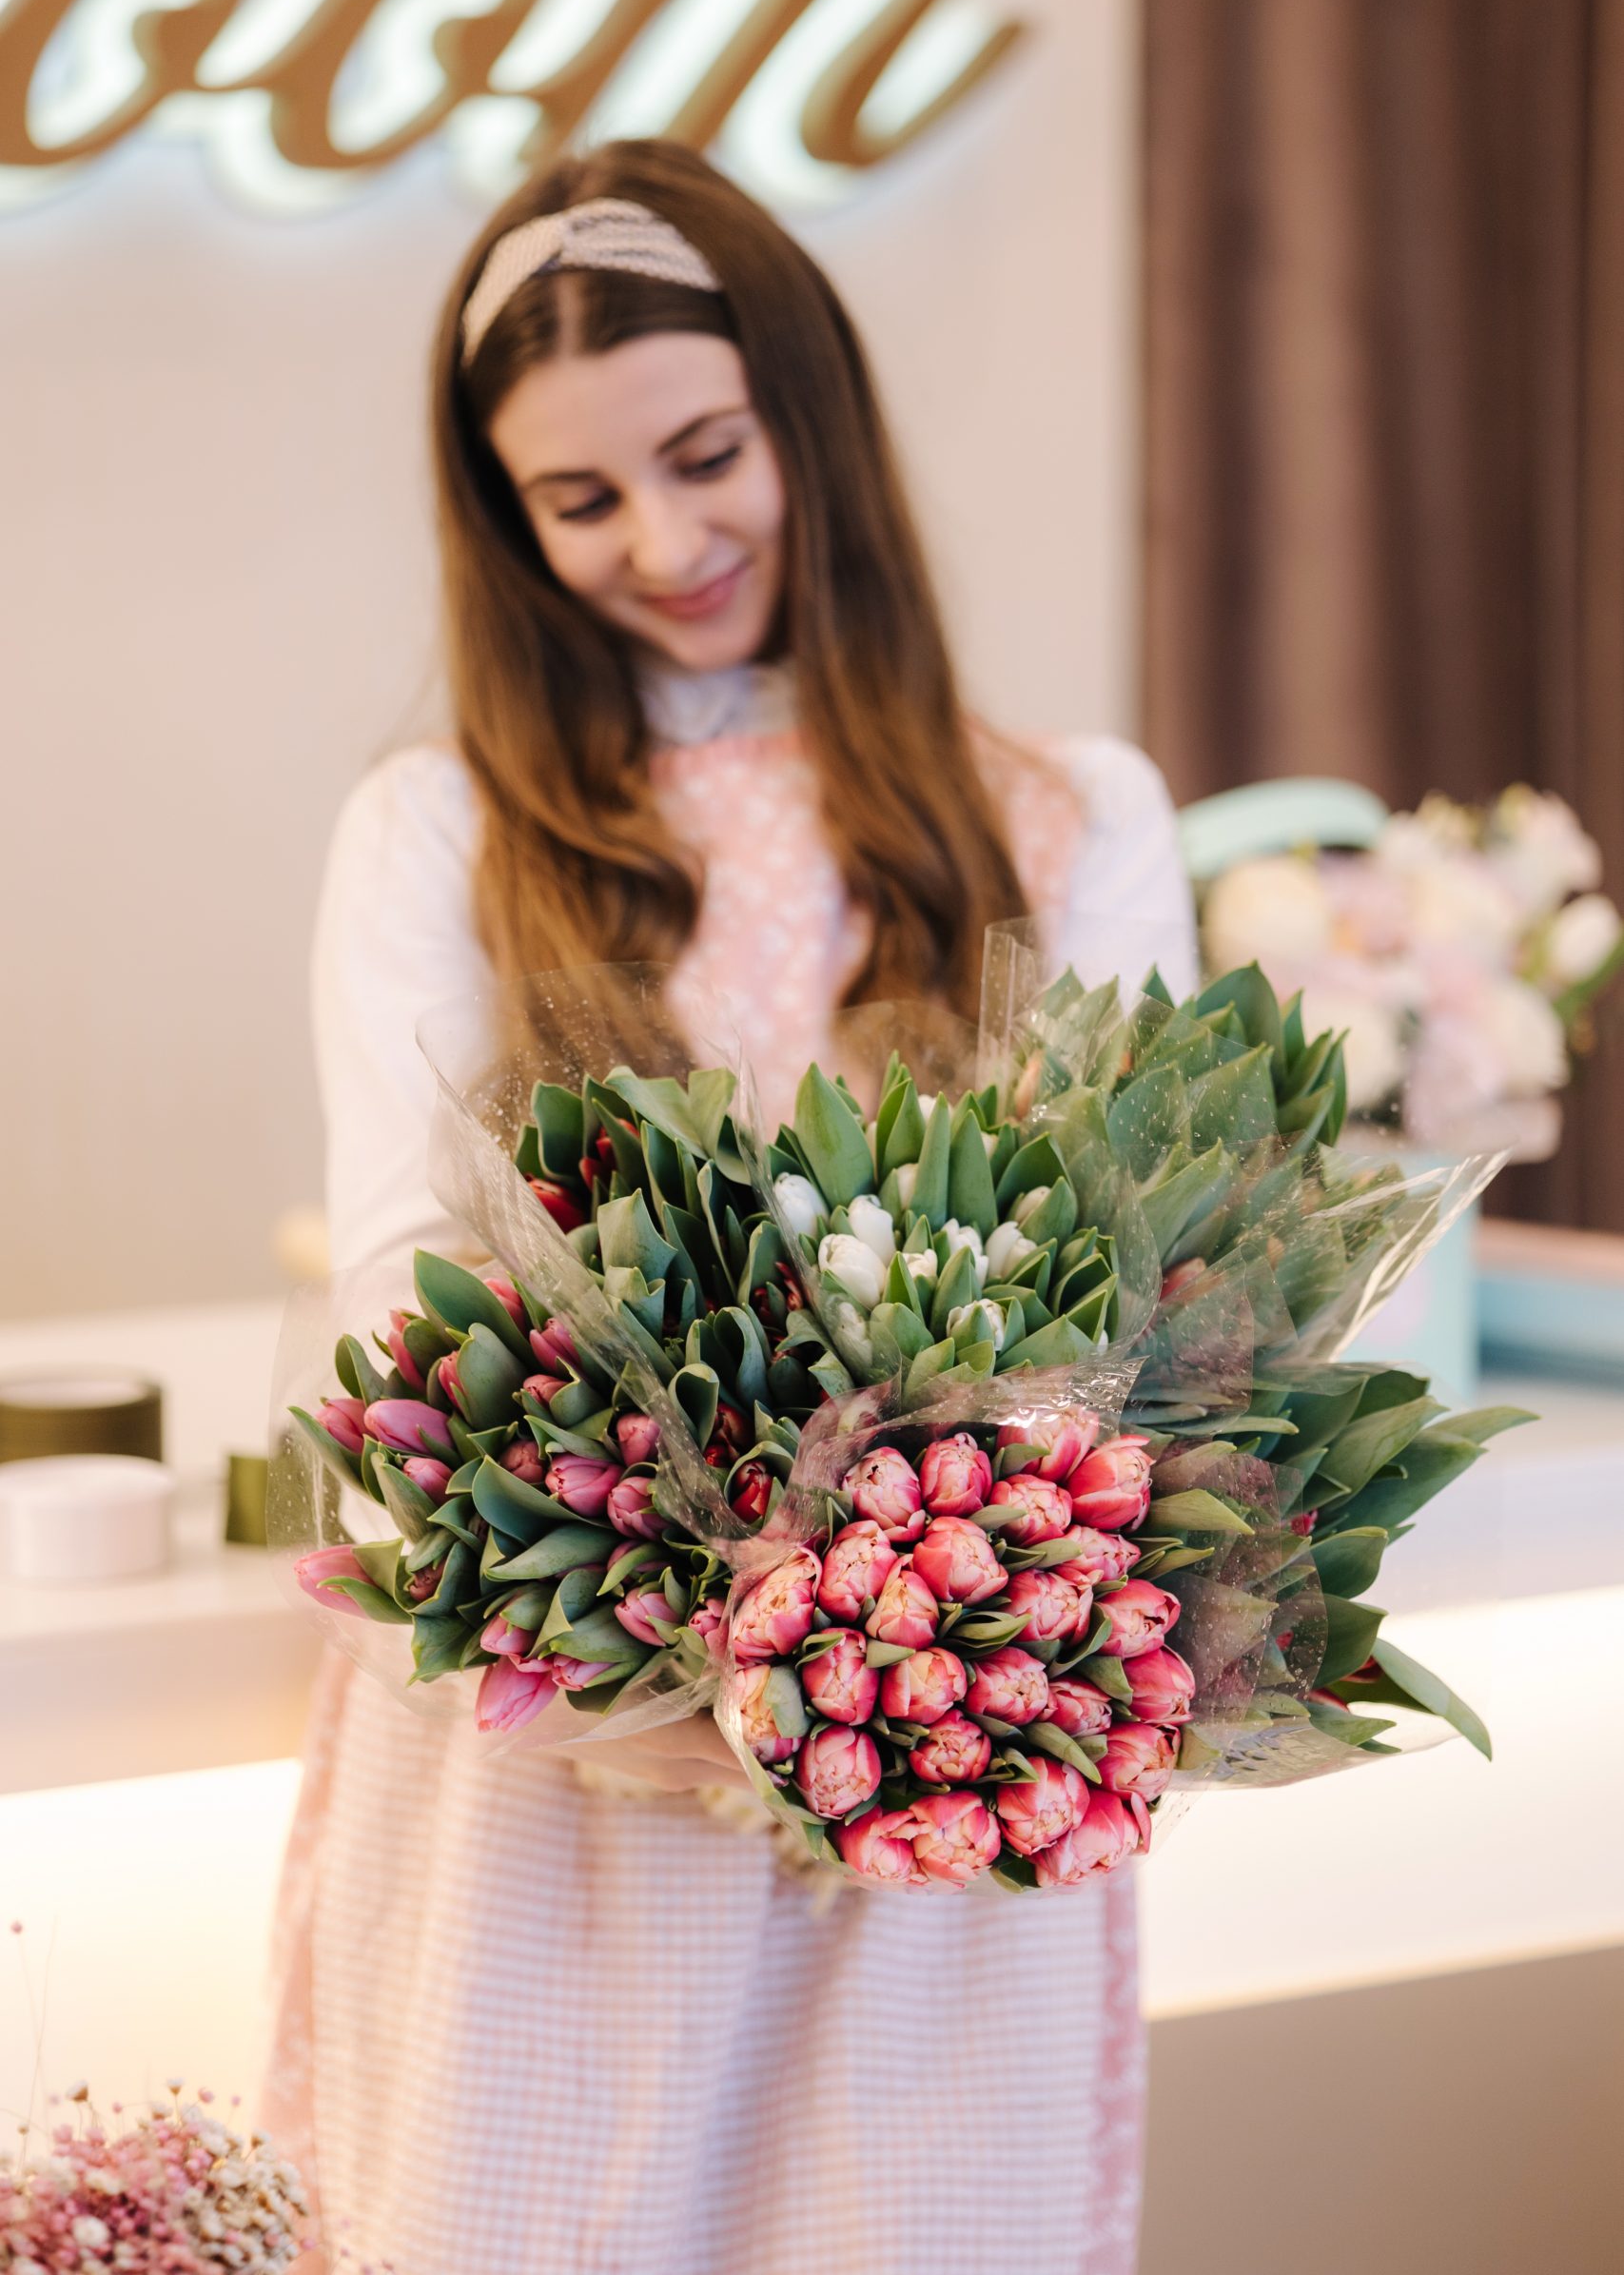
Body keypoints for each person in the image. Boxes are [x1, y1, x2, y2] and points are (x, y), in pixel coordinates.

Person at [264, 137, 1196, 2275]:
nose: (665, 543)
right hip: (556, 1765)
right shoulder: (437, 831)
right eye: (579, 499)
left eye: (705, 457)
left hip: (944, 1746)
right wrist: (666, 1658)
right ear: (503, 519)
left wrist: (927, 1654)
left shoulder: (1071, 815)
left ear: (809, 414)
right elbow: (408, 1313)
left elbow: (1138, 1308)